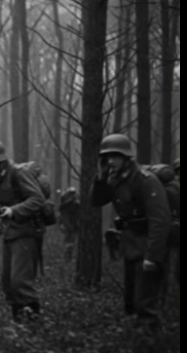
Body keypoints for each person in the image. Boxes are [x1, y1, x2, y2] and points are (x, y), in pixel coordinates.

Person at [91, 134, 171, 329]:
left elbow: (160, 220)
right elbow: (97, 200)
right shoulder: (115, 179)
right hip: (131, 246)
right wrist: (101, 178)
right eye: (107, 157)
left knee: (146, 306)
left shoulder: (145, 180)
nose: (110, 161)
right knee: (131, 303)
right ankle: (138, 348)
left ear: (127, 157)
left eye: (115, 156)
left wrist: (152, 256)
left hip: (147, 246)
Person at [0, 140, 45, 321]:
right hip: (9, 232)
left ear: (0, 160)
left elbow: (37, 199)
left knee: (20, 281)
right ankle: (19, 322)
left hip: (26, 231)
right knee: (8, 283)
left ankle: (33, 321)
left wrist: (13, 210)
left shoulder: (18, 173)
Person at [58, 186, 80, 254]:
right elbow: (61, 209)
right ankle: (67, 249)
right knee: (68, 234)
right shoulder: (65, 199)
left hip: (74, 220)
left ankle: (70, 249)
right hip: (67, 220)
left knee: (72, 235)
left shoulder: (76, 201)